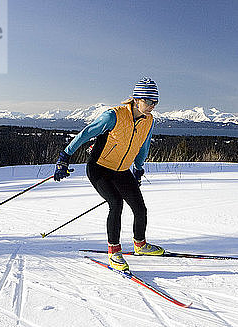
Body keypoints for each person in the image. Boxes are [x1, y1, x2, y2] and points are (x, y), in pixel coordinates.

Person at [53, 77, 164, 271]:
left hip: (122, 170)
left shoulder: (149, 121)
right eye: (148, 101)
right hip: (100, 168)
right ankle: (114, 252)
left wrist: (138, 168)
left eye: (155, 102)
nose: (152, 106)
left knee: (140, 208)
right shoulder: (113, 116)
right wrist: (65, 156)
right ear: (136, 99)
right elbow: (85, 133)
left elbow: (143, 146)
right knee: (116, 203)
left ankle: (140, 245)